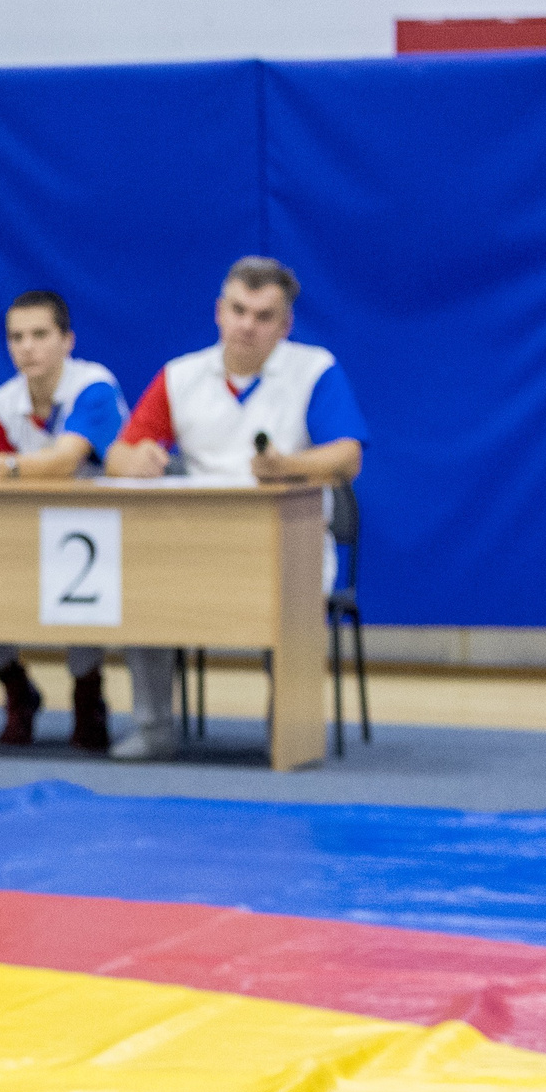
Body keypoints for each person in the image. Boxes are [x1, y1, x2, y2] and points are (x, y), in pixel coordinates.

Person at [102, 256, 369, 760]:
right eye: (239, 310)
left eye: (264, 316)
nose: (248, 325)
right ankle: (155, 726)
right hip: (195, 543)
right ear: (219, 312)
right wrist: (133, 459)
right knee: (138, 585)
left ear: (285, 326)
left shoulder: (315, 370)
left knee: (288, 591)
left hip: (291, 541)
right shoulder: (179, 376)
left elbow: (348, 455)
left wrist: (287, 465)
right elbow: (118, 452)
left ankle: (286, 728)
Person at [0, 290, 128, 750]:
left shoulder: (94, 387)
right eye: (17, 337)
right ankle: (15, 688)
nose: (28, 347)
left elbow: (65, 461)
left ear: (68, 341)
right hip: (23, 536)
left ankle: (88, 693)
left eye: (40, 335)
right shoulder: (1, 403)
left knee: (80, 581)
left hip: (102, 537)